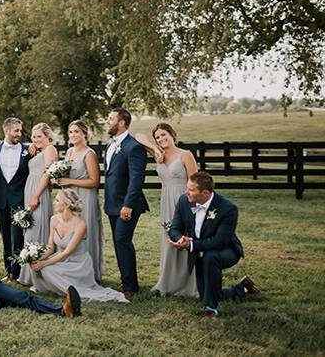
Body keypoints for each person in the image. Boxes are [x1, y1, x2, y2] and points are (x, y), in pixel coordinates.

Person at [168, 171, 258, 318]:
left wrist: (191, 245)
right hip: (199, 251)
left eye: (191, 190)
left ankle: (211, 310)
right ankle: (243, 289)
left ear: (205, 193)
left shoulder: (228, 208)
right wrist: (180, 240)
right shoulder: (184, 201)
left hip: (226, 250)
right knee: (209, 293)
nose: (186, 192)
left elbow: (220, 241)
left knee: (211, 257)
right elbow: (175, 228)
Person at [30, 189, 128, 302]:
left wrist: (44, 263)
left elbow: (67, 253)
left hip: (78, 265)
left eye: (57, 200)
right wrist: (38, 258)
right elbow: (50, 247)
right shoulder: (54, 219)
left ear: (66, 204)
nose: (53, 203)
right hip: (60, 260)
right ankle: (60, 287)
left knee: (46, 269)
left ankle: (71, 290)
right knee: (37, 267)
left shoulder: (80, 224)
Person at [147, 123, 199, 297]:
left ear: (172, 135)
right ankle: (168, 282)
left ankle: (188, 283)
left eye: (164, 135)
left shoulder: (185, 155)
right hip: (166, 200)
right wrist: (155, 149)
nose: (161, 139)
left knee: (185, 238)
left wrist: (192, 205)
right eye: (157, 137)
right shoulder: (158, 155)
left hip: (184, 199)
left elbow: (196, 183)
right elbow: (139, 137)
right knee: (169, 238)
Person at [103, 108, 148, 299]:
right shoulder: (110, 145)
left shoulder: (133, 147)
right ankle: (126, 281)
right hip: (112, 204)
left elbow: (136, 179)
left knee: (122, 240)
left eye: (111, 119)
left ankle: (130, 286)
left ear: (121, 123)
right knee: (118, 242)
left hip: (127, 205)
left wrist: (128, 205)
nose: (107, 122)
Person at [53, 120, 105, 282]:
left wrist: (70, 182)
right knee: (71, 231)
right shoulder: (69, 152)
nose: (73, 135)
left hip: (85, 197)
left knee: (85, 233)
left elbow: (94, 181)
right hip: (70, 197)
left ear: (85, 134)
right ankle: (72, 271)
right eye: (70, 132)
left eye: (76, 131)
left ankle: (90, 273)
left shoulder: (89, 154)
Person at [0, 117, 31, 280]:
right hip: (1, 201)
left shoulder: (28, 150)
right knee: (5, 235)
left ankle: (17, 271)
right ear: (6, 131)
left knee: (17, 235)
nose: (19, 134)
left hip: (20, 200)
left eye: (20, 130)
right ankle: (8, 269)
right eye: (16, 131)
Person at [18, 122, 56, 287]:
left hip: (37, 193)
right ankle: (28, 275)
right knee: (30, 229)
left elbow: (47, 173)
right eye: (33, 136)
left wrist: (35, 196)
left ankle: (39, 275)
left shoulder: (50, 149)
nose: (36, 139)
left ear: (48, 136)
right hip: (32, 190)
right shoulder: (39, 150)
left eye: (39, 136)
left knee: (36, 229)